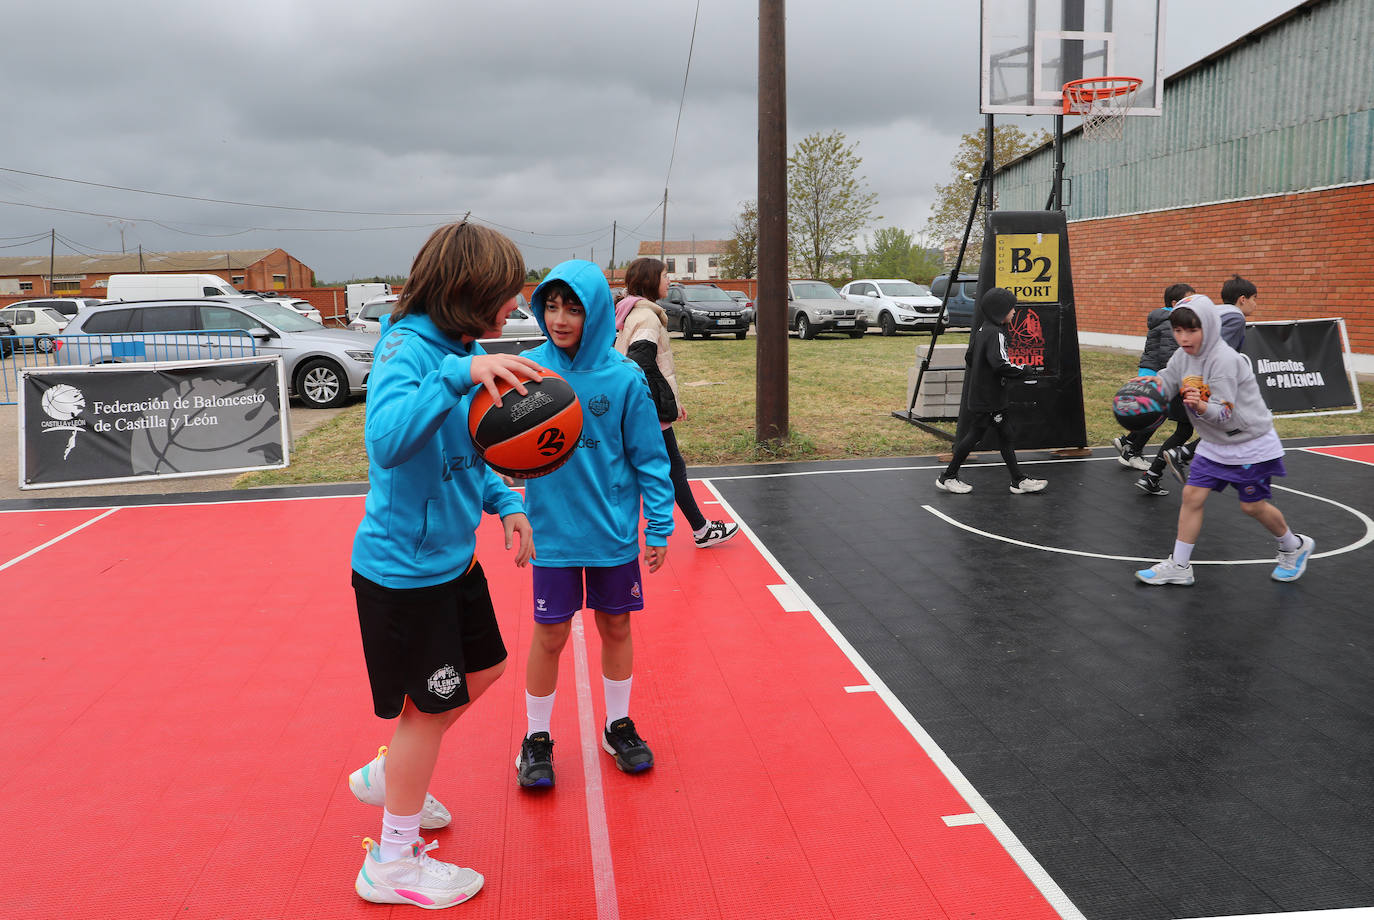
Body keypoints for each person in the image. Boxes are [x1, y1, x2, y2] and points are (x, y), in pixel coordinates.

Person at [345, 221, 544, 909]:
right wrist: (455, 375)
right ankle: (392, 863)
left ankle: (388, 770)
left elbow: (469, 448)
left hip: (451, 562)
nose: (513, 309)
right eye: (504, 297)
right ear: (467, 292)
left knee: (483, 671)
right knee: (428, 710)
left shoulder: (465, 347)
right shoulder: (407, 350)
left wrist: (505, 500)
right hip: (404, 574)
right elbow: (391, 442)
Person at [513, 259, 676, 789]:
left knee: (616, 626)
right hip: (553, 533)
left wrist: (658, 526)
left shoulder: (624, 376)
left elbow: (651, 459)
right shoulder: (525, 371)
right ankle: (536, 739)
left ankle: (617, 725)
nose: (560, 319)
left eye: (574, 309)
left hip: (611, 533)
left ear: (596, 314)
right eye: (552, 307)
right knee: (550, 633)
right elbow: (497, 448)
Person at [1134, 294, 1313, 586]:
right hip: (1215, 443)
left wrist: (1201, 406)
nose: (1183, 337)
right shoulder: (1183, 355)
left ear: (1208, 326)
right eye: (1178, 330)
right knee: (1192, 496)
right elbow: (1168, 379)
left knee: (1252, 507)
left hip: (1248, 442)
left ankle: (1294, 546)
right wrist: (1147, 388)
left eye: (1191, 330)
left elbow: (1225, 412)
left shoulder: (1224, 360)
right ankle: (1179, 565)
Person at [614, 257, 739, 548]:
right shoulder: (646, 317)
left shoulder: (634, 312)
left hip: (641, 408)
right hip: (647, 411)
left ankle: (697, 528)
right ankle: (701, 529)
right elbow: (640, 361)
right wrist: (664, 404)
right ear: (650, 281)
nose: (669, 280)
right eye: (665, 275)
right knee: (673, 469)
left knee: (643, 469)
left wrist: (672, 401)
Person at [936, 287, 1047, 495]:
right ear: (999, 311)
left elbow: (970, 357)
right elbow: (1000, 364)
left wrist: (983, 374)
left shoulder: (982, 330)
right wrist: (1025, 370)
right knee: (974, 436)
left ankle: (1018, 480)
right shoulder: (995, 333)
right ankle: (948, 476)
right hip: (989, 398)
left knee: (1005, 434)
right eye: (1011, 309)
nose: (1014, 312)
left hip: (987, 394)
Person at [1161, 275, 1259, 483]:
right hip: (1207, 378)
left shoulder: (1216, 311)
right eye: (1254, 298)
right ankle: (1185, 453)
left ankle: (1152, 474)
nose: (1255, 304)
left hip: (1192, 375)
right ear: (1242, 299)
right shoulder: (1236, 317)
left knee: (1190, 429)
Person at [1113, 282, 1194, 479]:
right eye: (1188, 300)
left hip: (1152, 372)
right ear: (1175, 303)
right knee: (1155, 414)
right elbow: (1169, 355)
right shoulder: (1170, 322)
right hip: (1158, 375)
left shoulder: (1164, 318)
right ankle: (1131, 449)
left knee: (1153, 414)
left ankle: (1128, 442)